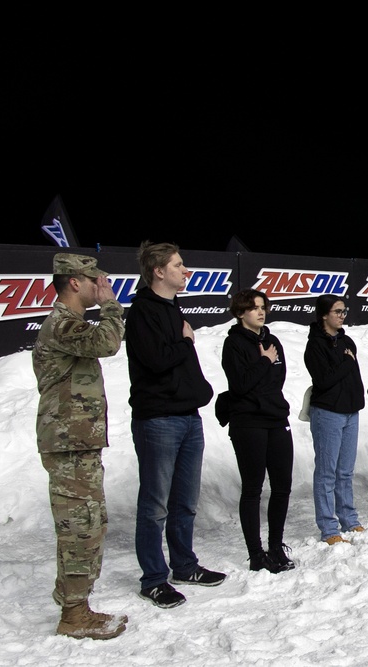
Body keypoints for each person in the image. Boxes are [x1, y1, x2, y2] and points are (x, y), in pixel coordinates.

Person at [32, 253, 128, 640]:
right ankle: (73, 614)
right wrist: (110, 305)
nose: (101, 287)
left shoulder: (69, 324)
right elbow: (107, 343)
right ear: (75, 282)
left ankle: (75, 599)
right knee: (79, 529)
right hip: (68, 443)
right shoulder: (62, 323)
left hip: (79, 444)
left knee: (90, 524)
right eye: (96, 281)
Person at [126, 241, 226, 608]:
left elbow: (177, 362)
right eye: (179, 265)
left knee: (185, 501)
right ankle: (153, 578)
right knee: (155, 505)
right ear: (158, 271)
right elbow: (155, 361)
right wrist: (186, 342)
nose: (186, 271)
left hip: (188, 418)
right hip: (158, 421)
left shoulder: (173, 307)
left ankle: (184, 565)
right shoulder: (141, 311)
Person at [219, 289, 295, 571]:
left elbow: (276, 381)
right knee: (253, 488)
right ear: (240, 313)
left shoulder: (272, 341)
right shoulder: (234, 344)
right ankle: (256, 554)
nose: (261, 312)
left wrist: (261, 370)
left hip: (275, 418)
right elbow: (240, 385)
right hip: (248, 422)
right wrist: (263, 361)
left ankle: (276, 546)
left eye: (263, 307)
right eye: (254, 308)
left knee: (282, 486)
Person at [305, 294, 366, 544]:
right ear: (324, 315)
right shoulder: (315, 345)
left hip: (351, 412)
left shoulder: (347, 340)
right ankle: (329, 527)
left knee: (345, 471)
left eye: (344, 311)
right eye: (337, 312)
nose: (342, 316)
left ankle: (349, 518)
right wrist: (345, 363)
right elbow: (324, 380)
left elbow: (352, 375)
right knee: (327, 473)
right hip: (328, 413)